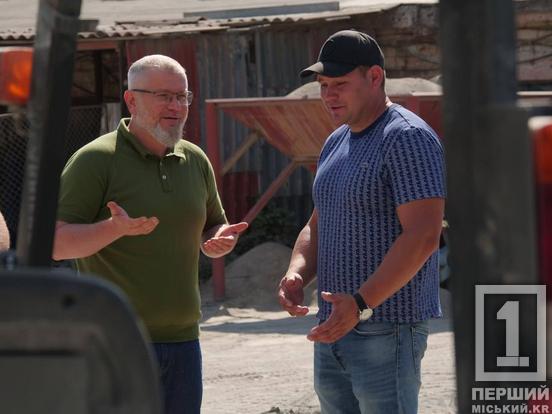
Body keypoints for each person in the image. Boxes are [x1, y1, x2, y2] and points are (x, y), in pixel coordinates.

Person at [53, 54, 248, 414]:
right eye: (163, 96)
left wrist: (220, 240)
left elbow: (213, 225)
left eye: (182, 96)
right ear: (131, 100)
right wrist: (112, 229)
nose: (176, 106)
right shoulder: (94, 160)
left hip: (184, 342)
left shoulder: (195, 160)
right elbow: (57, 244)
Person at [278, 30, 446, 413]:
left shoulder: (407, 137)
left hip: (387, 329)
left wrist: (360, 304)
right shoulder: (336, 141)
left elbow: (423, 235)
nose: (328, 95)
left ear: (374, 77)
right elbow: (318, 222)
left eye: (339, 84)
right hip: (334, 326)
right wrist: (296, 273)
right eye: (323, 86)